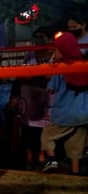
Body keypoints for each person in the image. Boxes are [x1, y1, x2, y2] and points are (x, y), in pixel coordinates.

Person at [40, 32, 88, 175]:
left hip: (64, 115)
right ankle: (75, 172)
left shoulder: (61, 69)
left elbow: (50, 89)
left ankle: (52, 159)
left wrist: (52, 64)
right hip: (84, 114)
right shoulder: (84, 65)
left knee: (47, 136)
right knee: (75, 145)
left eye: (57, 49)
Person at [17, 26, 55, 170]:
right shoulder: (30, 54)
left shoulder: (55, 56)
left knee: (45, 129)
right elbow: (21, 75)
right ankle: (29, 157)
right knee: (27, 129)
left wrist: (34, 77)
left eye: (42, 37)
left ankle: (42, 156)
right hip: (30, 99)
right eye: (36, 37)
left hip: (47, 99)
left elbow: (50, 79)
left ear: (50, 39)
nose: (39, 40)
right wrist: (38, 78)